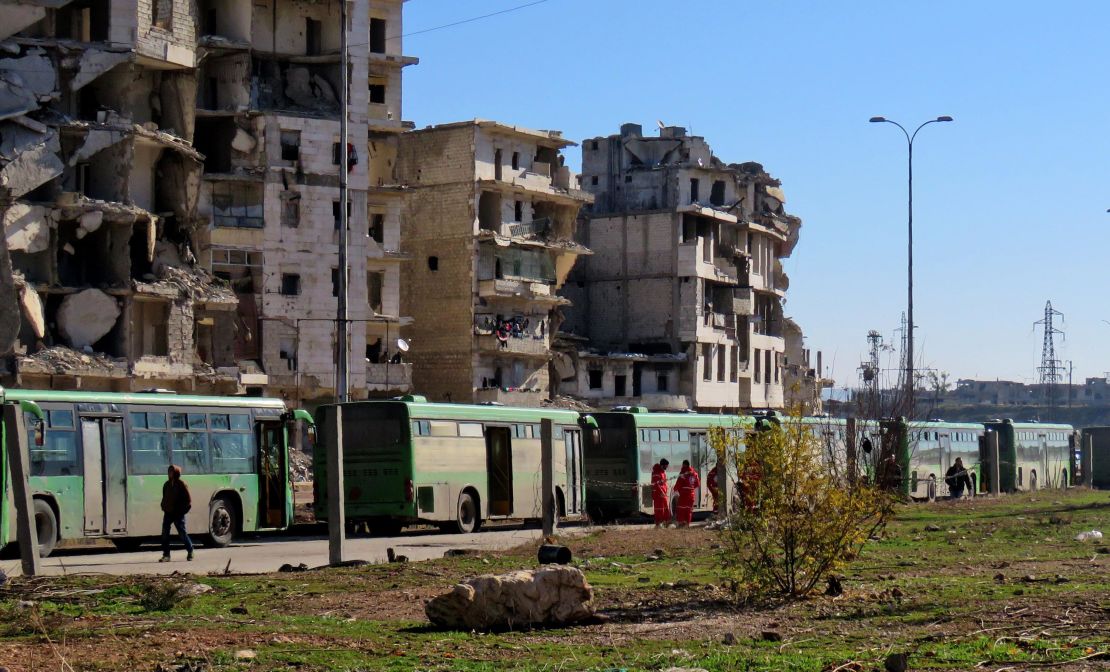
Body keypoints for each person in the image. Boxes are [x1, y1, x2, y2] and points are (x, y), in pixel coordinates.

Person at [160, 464, 194, 562]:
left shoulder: (181, 484)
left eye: (171, 471)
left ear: (176, 473)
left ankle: (190, 550)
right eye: (169, 471)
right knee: (165, 533)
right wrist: (163, 506)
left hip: (178, 513)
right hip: (168, 513)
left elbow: (188, 500)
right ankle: (166, 555)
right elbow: (164, 497)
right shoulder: (166, 485)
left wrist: (182, 511)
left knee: (182, 533)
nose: (170, 473)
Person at [674, 459, 701, 527]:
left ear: (684, 465)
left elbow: (679, 483)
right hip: (691, 495)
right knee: (688, 510)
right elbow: (697, 484)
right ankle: (687, 524)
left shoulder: (683, 473)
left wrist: (675, 489)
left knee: (681, 508)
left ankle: (681, 523)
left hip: (683, 494)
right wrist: (691, 488)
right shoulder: (694, 473)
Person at [650, 458, 671, 528]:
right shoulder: (656, 473)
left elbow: (663, 483)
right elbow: (656, 484)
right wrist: (661, 492)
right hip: (658, 494)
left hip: (663, 494)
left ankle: (665, 522)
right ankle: (659, 523)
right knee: (659, 509)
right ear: (662, 465)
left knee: (665, 508)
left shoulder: (662, 472)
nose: (666, 468)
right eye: (666, 466)